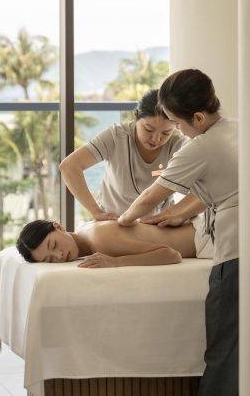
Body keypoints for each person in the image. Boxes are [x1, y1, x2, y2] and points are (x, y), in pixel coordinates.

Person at [118, 69, 238, 396]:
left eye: (176, 124)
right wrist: (180, 212)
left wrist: (122, 219)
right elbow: (222, 185)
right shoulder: (240, 129)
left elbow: (149, 198)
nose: (177, 132)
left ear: (197, 117)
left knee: (223, 348)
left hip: (235, 252)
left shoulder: (199, 147)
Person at [60, 89, 186, 221]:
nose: (156, 139)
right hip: (114, 222)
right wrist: (95, 211)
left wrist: (175, 213)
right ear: (136, 116)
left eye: (166, 133)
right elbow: (69, 166)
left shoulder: (178, 143)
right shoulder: (116, 137)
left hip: (157, 224)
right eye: (149, 129)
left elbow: (199, 189)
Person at [14, 218, 211, 267]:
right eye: (50, 260)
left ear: (58, 227)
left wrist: (115, 262)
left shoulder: (100, 239)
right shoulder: (85, 231)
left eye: (54, 245)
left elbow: (171, 255)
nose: (59, 255)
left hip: (207, 237)